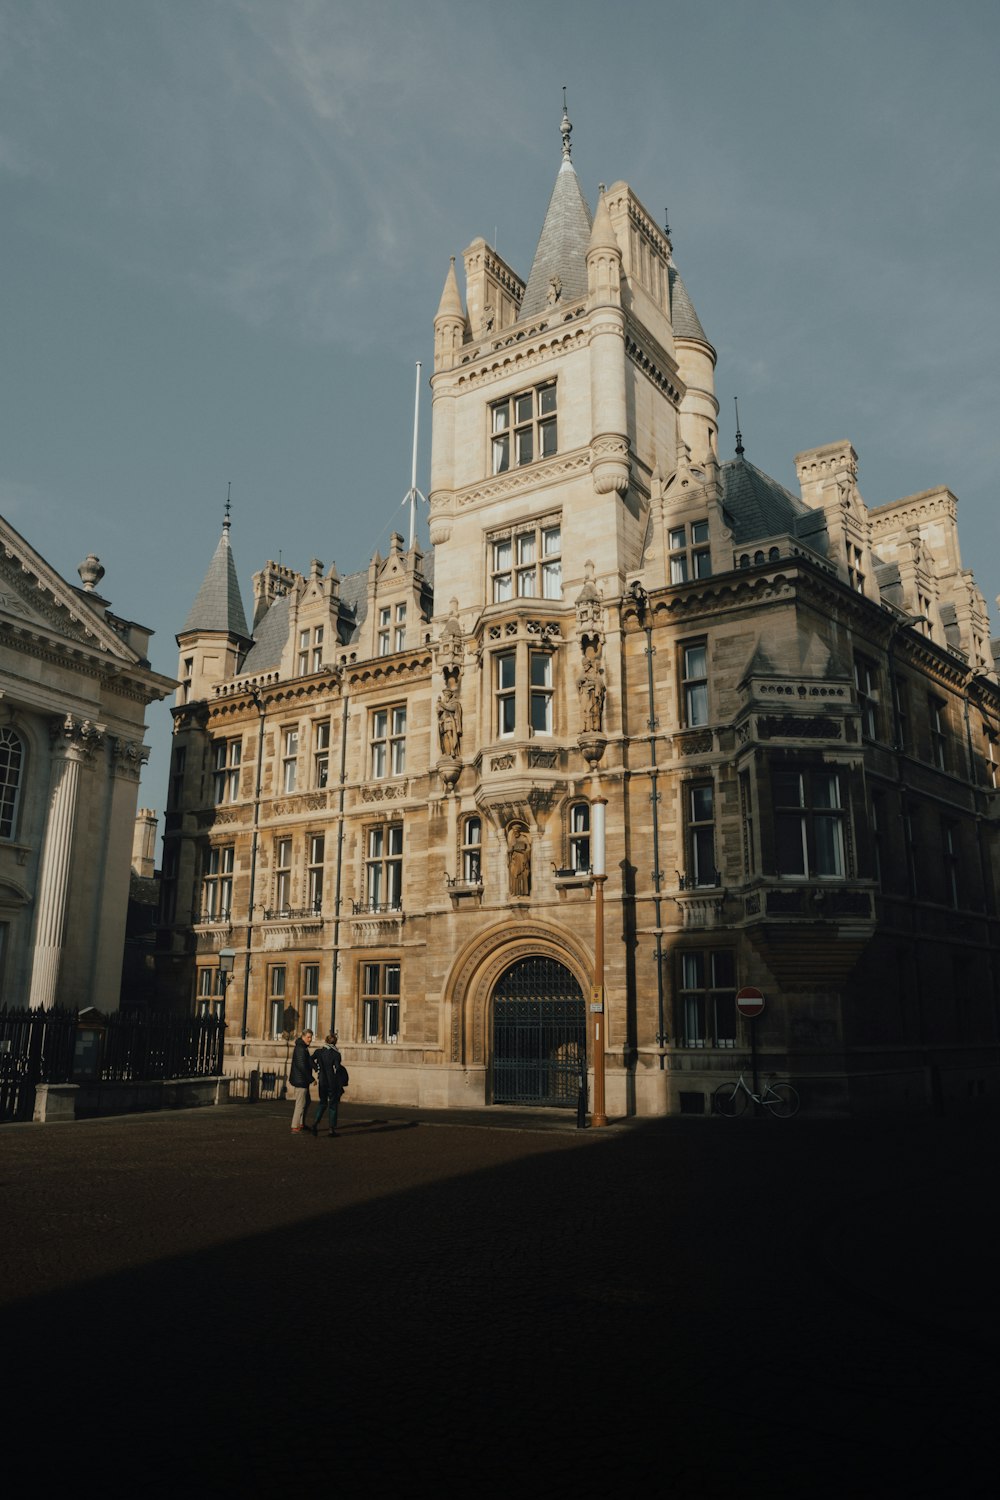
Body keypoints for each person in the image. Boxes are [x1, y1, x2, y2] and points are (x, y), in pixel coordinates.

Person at [312, 1031, 345, 1136]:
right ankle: (331, 1129)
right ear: (335, 1043)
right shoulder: (336, 1054)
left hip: (322, 1081)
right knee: (333, 1105)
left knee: (322, 1103)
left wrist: (316, 1068)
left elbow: (310, 1059)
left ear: (325, 1041)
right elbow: (338, 1068)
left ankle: (315, 1123)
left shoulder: (319, 1052)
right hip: (332, 1082)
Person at [288, 1028, 315, 1133]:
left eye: (311, 1037)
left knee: (306, 1101)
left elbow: (308, 1061)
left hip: (303, 1080)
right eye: (308, 1037)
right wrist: (311, 1079)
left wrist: (315, 1067)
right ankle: (295, 1126)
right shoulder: (300, 1048)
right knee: (300, 1103)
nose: (310, 1039)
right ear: (303, 1037)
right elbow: (301, 1066)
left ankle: (301, 1123)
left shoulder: (303, 1047)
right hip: (301, 1080)